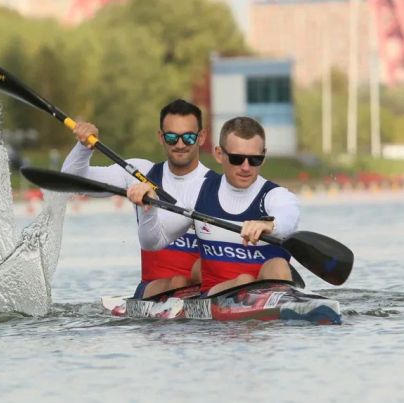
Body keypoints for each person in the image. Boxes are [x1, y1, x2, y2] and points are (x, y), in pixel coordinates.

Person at [128, 116, 299, 296]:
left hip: (266, 291)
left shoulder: (275, 195)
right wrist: (147, 209)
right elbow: (152, 243)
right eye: (236, 159)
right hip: (215, 297)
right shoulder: (197, 191)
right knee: (244, 280)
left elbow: (289, 216)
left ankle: (280, 311)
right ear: (219, 154)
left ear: (263, 156)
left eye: (255, 159)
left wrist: (270, 225)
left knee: (278, 266)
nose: (246, 167)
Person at [61, 99, 209, 298]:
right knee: (179, 282)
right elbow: (71, 182)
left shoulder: (215, 186)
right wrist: (83, 147)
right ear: (161, 137)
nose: (180, 144)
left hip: (204, 291)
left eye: (189, 138)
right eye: (172, 137)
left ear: (201, 137)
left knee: (197, 273)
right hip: (154, 291)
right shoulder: (140, 173)